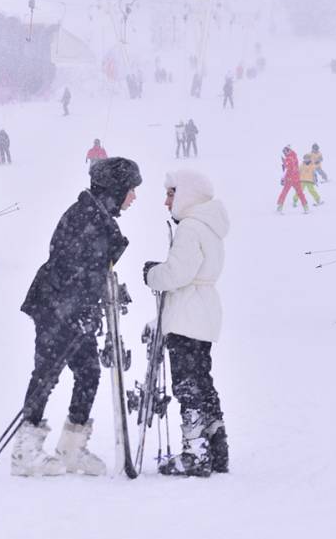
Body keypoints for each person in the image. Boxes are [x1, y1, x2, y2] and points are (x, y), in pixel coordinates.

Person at [12, 157, 142, 477]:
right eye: (131, 189)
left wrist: (105, 295)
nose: (135, 197)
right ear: (117, 188)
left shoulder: (98, 217)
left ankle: (71, 448)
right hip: (55, 307)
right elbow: (68, 267)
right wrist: (78, 309)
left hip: (75, 310)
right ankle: (24, 451)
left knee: (88, 372)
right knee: (46, 372)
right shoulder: (86, 217)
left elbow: (94, 270)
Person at [144, 170, 230, 477]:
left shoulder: (190, 228)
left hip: (187, 314)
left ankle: (195, 452)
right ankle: (216, 447)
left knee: (187, 384)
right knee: (203, 380)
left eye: (171, 193)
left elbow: (177, 275)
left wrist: (152, 274)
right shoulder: (209, 226)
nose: (167, 201)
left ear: (187, 194)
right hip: (204, 311)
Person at [276, 146, 307, 213]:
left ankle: (279, 207)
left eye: (285, 152)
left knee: (284, 192)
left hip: (289, 179)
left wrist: (283, 178)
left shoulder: (288, 159)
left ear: (287, 151)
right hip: (296, 178)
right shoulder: (294, 156)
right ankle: (306, 207)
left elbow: (287, 169)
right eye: (284, 152)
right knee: (300, 193)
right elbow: (293, 167)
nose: (285, 153)